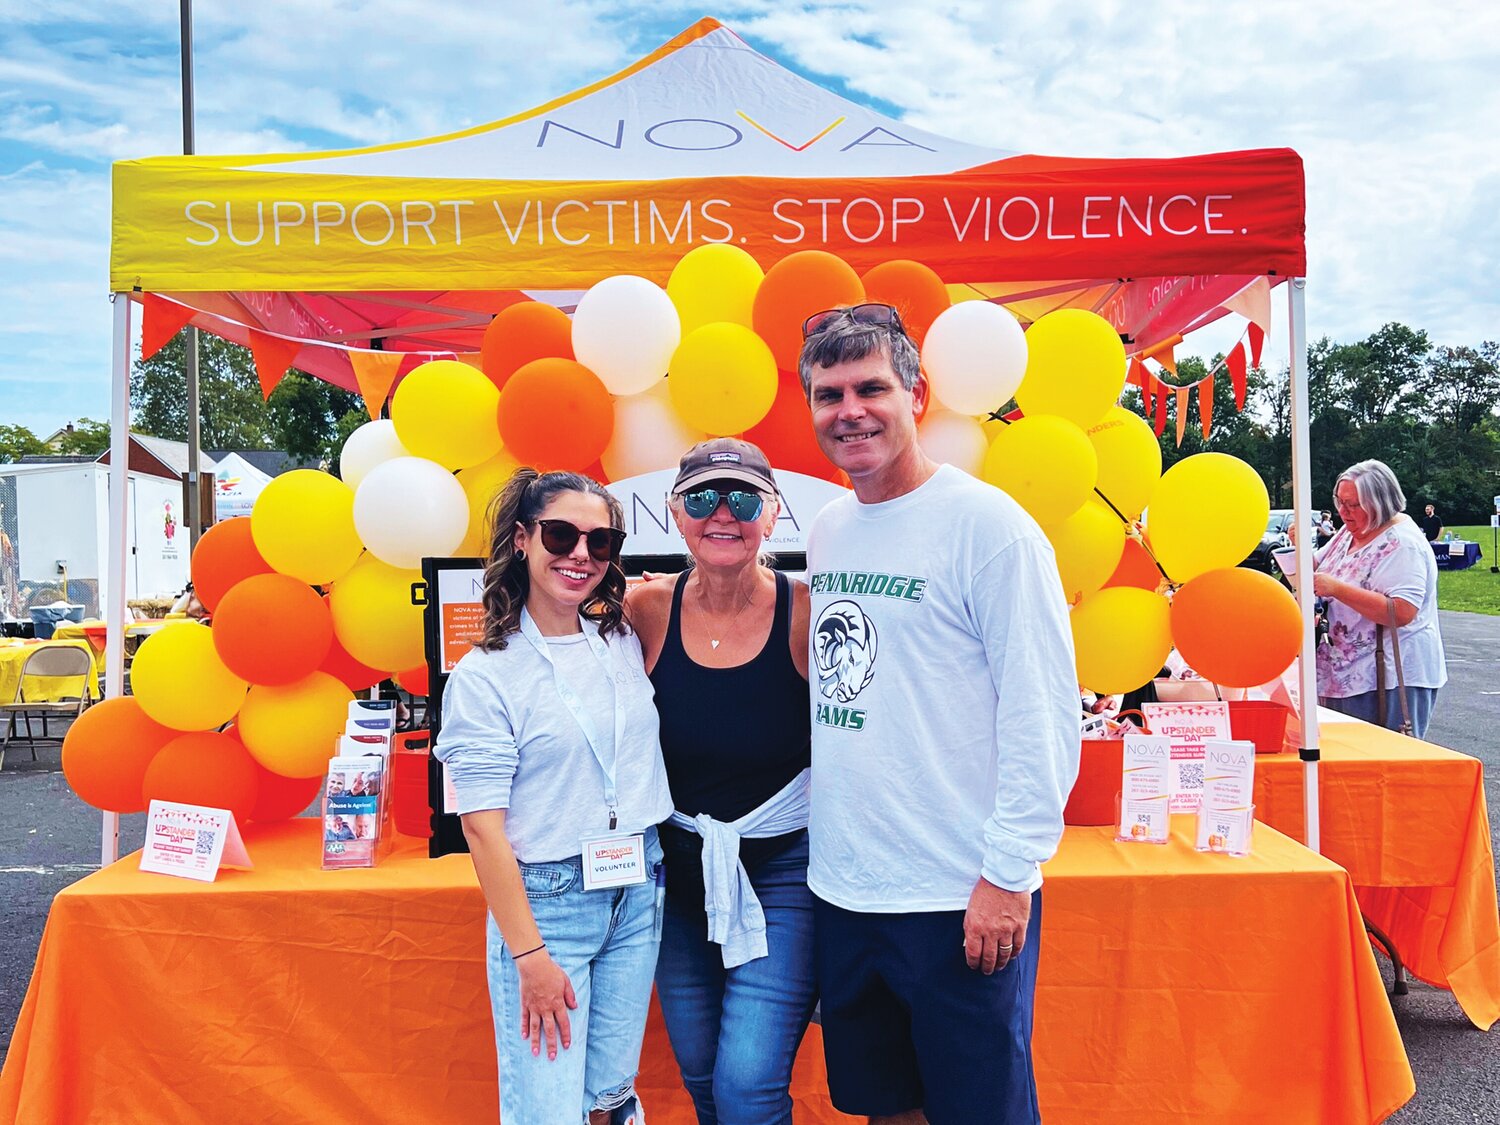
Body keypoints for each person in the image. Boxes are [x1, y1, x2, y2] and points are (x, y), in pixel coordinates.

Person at [797, 303, 1081, 1125]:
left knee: (977, 1109)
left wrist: (1007, 874)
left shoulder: (989, 529)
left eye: (870, 388)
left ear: (916, 396)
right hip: (848, 887)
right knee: (884, 1105)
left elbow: (1043, 711)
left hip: (958, 891)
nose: (849, 410)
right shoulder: (830, 528)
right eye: (829, 393)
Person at [434, 469, 673, 1125]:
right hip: (549, 902)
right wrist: (530, 956)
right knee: (549, 1110)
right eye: (562, 535)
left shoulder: (622, 637)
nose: (580, 555)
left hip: (637, 883)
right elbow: (482, 830)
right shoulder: (487, 674)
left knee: (609, 1099)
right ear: (521, 539)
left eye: (600, 543)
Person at [626, 438, 815, 1125]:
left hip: (783, 869)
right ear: (677, 513)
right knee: (704, 1074)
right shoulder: (645, 610)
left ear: (772, 512)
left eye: (743, 498)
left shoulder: (807, 612)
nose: (723, 515)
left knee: (747, 1083)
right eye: (704, 498)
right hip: (675, 876)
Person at [1314, 460, 1446, 738]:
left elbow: (1402, 611)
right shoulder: (1350, 531)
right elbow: (1315, 565)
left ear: (1380, 502)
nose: (1343, 512)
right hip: (1346, 676)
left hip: (1389, 680)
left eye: (1353, 505)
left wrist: (1336, 589)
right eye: (1340, 502)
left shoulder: (1402, 543)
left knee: (1386, 768)